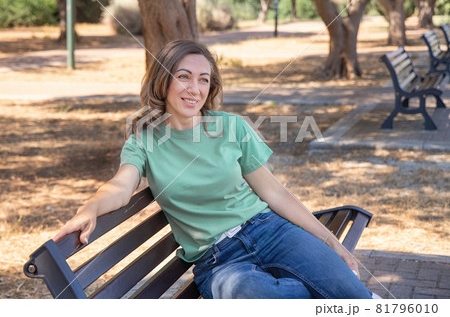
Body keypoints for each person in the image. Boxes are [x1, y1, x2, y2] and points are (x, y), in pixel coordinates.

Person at [54, 39, 375, 299]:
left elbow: (274, 192)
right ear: (163, 80)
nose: (194, 88)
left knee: (355, 299)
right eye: (183, 76)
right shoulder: (144, 138)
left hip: (269, 231)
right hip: (220, 260)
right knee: (264, 297)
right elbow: (121, 186)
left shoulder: (232, 127)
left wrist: (330, 241)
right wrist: (91, 207)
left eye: (203, 79)